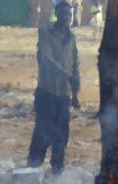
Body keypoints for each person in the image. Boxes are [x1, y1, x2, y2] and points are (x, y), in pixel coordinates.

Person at [27, 1, 80, 174]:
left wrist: (76, 93)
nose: (66, 17)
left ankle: (57, 166)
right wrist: (68, 75)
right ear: (57, 14)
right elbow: (46, 60)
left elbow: (75, 64)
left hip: (64, 94)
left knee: (61, 132)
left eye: (69, 15)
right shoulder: (46, 33)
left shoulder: (71, 38)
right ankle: (34, 165)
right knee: (43, 129)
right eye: (63, 14)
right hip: (47, 91)